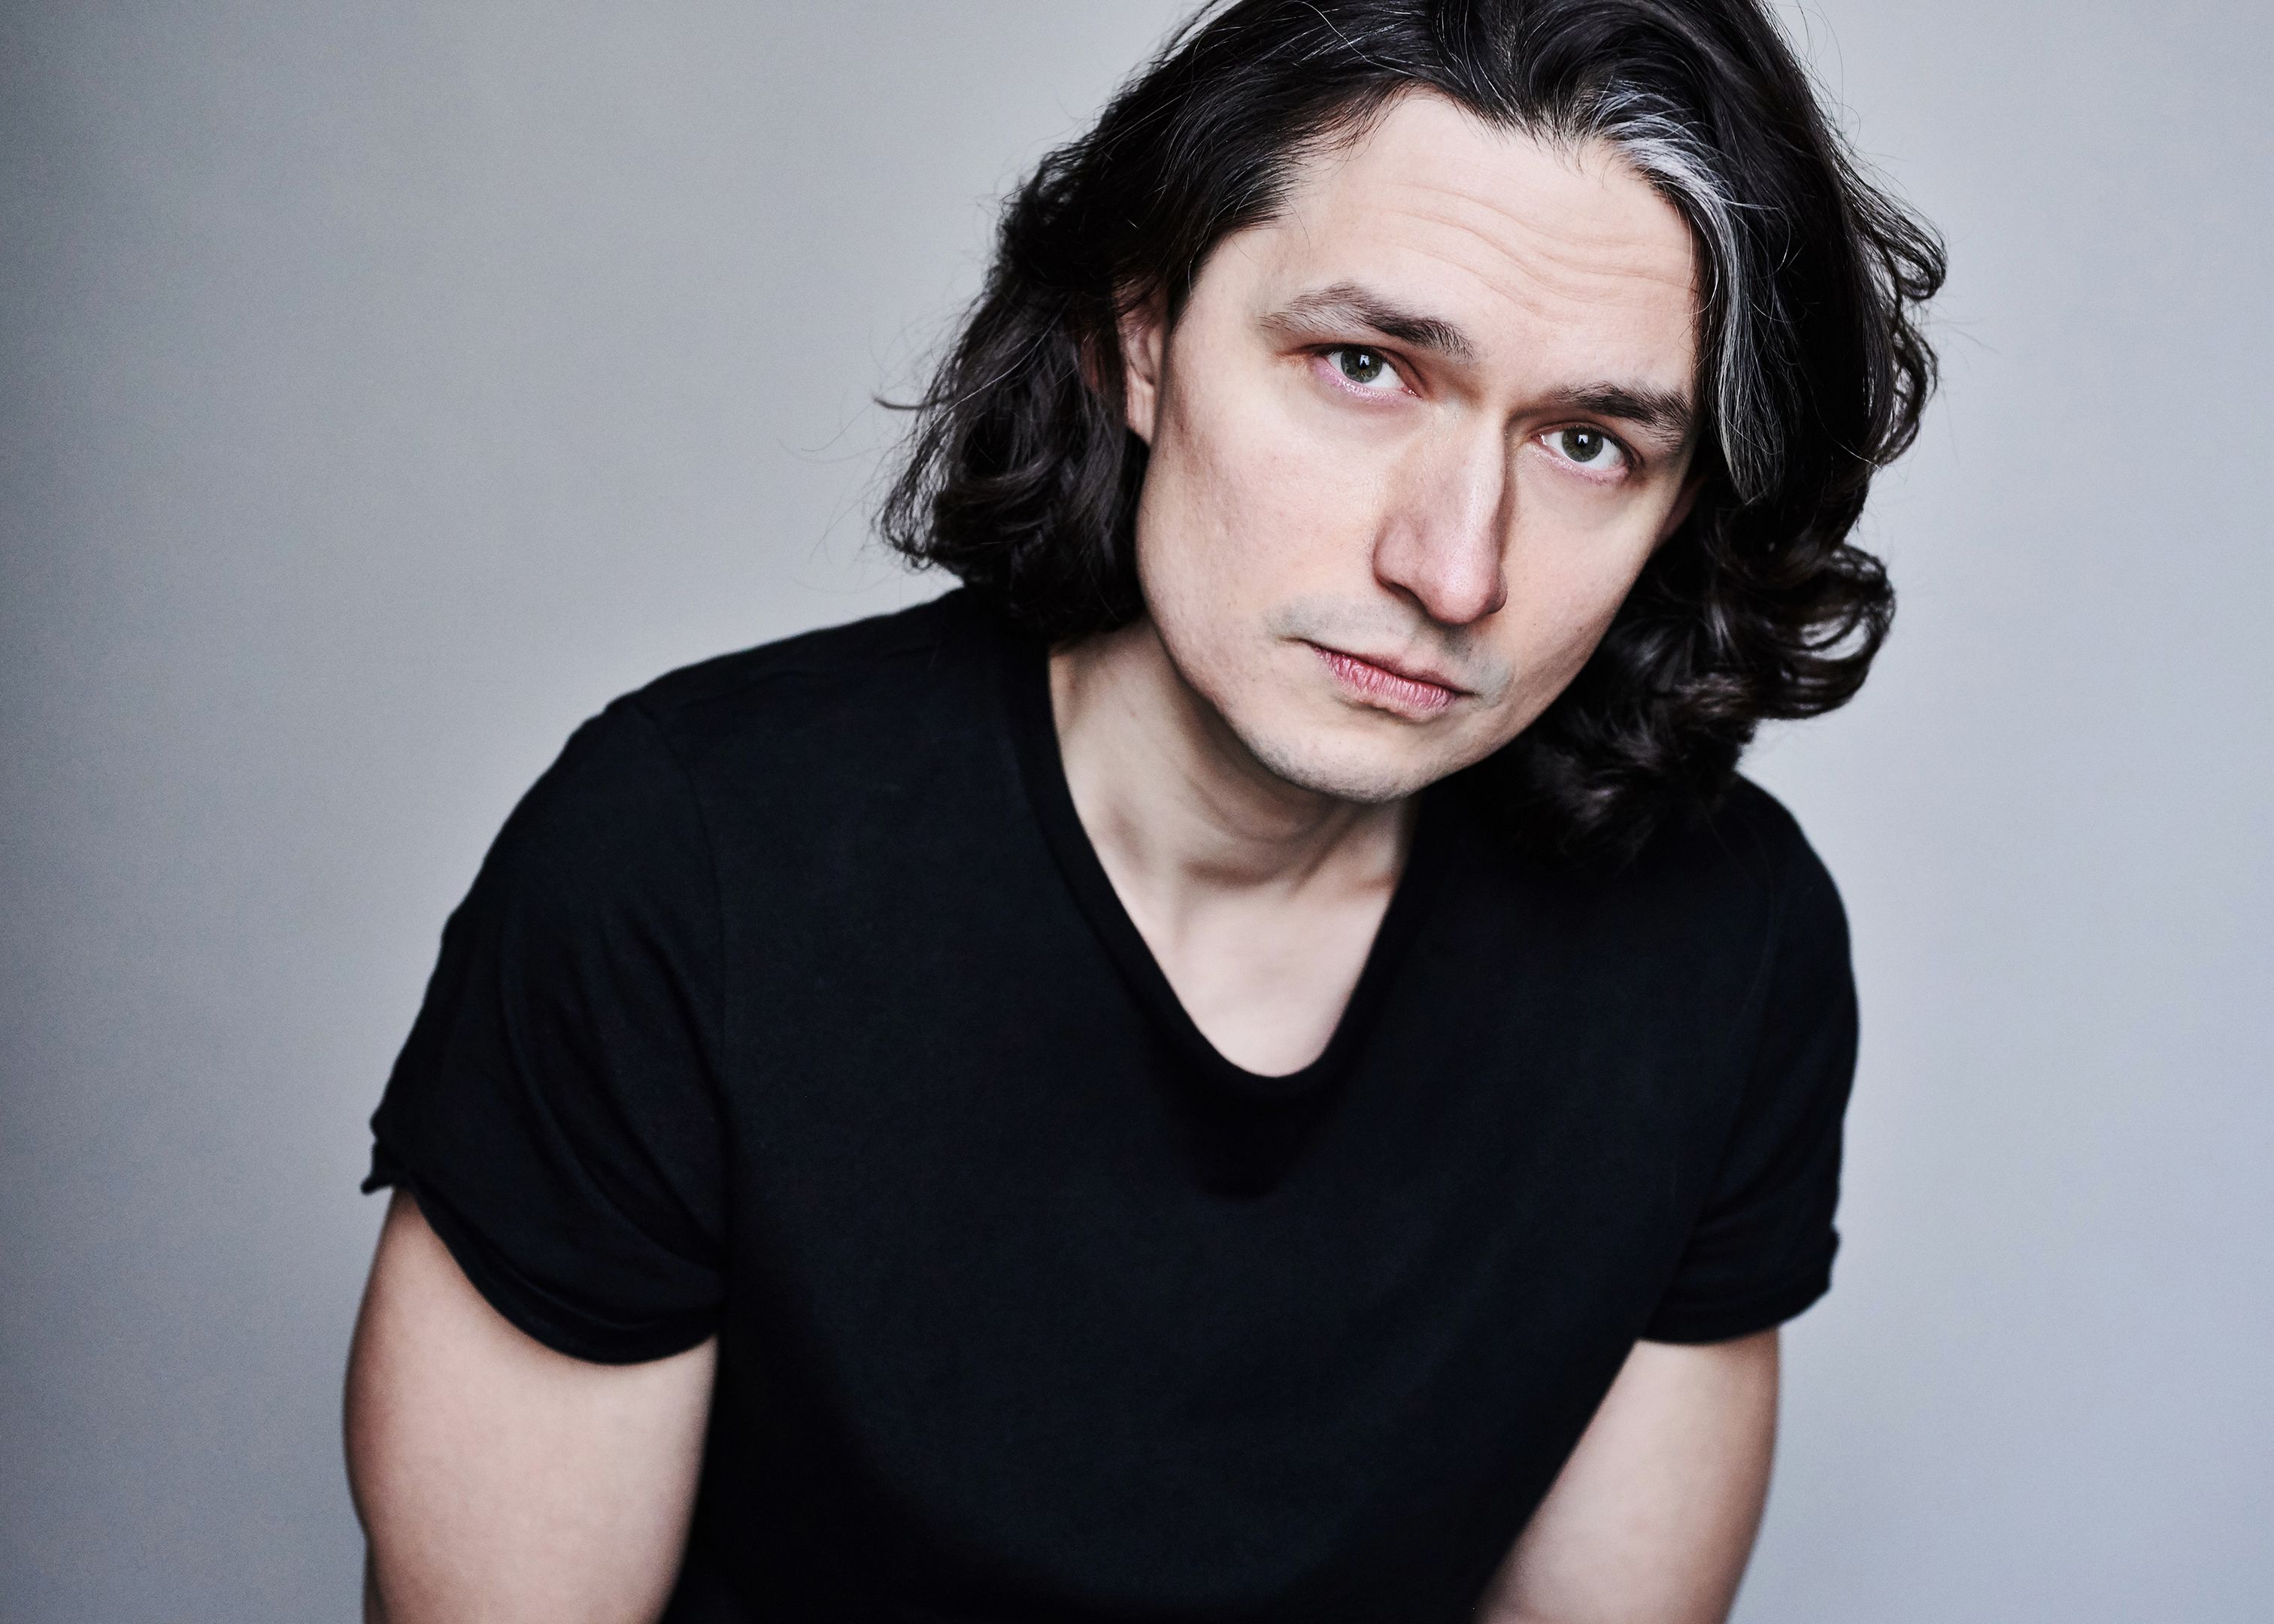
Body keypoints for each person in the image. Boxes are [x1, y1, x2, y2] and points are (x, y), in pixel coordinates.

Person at [343, 1, 1942, 1619]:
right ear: (1145, 337)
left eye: (1589, 443)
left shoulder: (1720, 944)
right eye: (1365, 367)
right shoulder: (688, 866)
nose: (1456, 569)